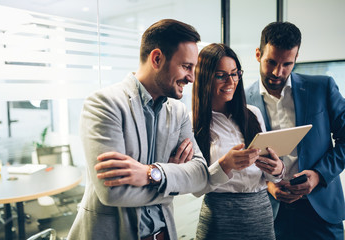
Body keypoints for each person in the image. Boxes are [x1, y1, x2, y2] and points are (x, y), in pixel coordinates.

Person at [67, 19, 230, 240]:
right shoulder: (104, 104)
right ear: (157, 58)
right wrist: (172, 180)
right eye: (186, 67)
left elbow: (200, 175)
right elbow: (113, 192)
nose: (191, 77)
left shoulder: (179, 112)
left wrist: (152, 174)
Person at [246, 21, 345, 240]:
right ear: (257, 54)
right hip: (270, 212)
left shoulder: (322, 87)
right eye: (270, 61)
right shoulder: (241, 101)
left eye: (287, 64)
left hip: (321, 210)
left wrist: (319, 175)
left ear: (296, 58)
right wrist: (269, 185)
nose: (277, 72)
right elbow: (241, 159)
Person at [192, 43, 284, 240]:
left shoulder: (253, 114)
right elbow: (195, 188)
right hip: (219, 217)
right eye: (221, 75)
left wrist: (277, 169)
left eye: (235, 74)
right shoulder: (192, 122)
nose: (230, 81)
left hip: (260, 214)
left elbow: (270, 178)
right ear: (205, 78)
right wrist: (225, 165)